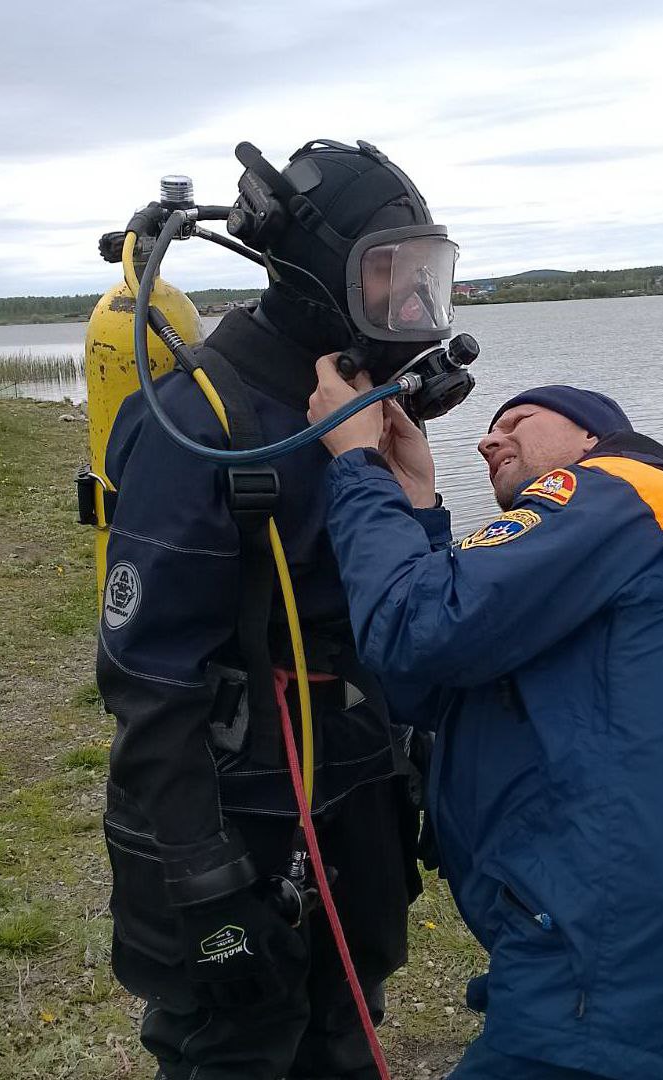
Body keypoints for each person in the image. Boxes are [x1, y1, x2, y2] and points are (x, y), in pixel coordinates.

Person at [96, 139, 461, 1080]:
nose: (412, 312)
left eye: (425, 281)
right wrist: (204, 881)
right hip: (239, 818)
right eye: (388, 282)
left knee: (345, 1033)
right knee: (238, 1047)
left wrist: (419, 505)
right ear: (313, 280)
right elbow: (148, 683)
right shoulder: (201, 426)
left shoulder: (355, 410)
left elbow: (404, 611)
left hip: (352, 801)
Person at [307, 368, 663, 1080]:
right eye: (490, 427)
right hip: (622, 922)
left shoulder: (624, 488)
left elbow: (415, 625)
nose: (490, 438)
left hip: (605, 933)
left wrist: (355, 464)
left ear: (594, 435)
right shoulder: (634, 543)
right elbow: (427, 681)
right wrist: (417, 504)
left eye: (520, 419)